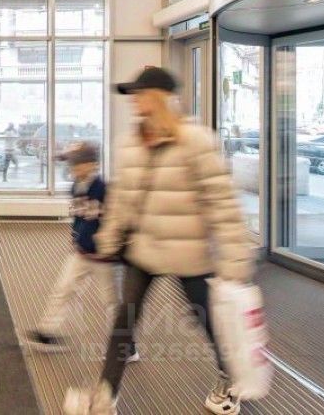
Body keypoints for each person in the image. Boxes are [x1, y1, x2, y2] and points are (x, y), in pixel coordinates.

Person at [63, 67, 255, 415]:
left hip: (188, 252)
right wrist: (109, 236)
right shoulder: (130, 144)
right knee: (124, 322)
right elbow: (122, 199)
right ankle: (106, 394)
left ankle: (231, 379)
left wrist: (235, 259)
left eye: (139, 93)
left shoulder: (196, 141)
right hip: (145, 251)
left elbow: (222, 203)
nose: (134, 101)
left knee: (208, 321)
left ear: (159, 97)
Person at [26, 142, 138, 363]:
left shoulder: (104, 189)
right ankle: (47, 331)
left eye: (77, 163)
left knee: (112, 302)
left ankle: (127, 347)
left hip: (106, 259)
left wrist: (114, 247)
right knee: (63, 289)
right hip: (82, 253)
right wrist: (76, 239)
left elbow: (118, 221)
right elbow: (79, 219)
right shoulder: (75, 187)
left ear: (92, 164)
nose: (72, 168)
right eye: (70, 163)